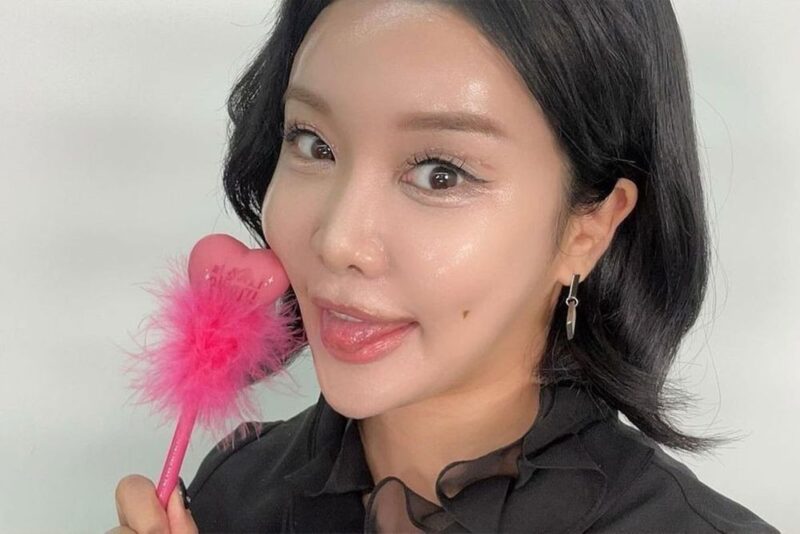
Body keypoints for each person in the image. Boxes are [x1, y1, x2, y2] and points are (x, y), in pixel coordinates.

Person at [109, 0, 780, 532]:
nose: (338, 241)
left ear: (589, 228)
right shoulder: (232, 496)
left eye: (440, 173)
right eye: (313, 143)